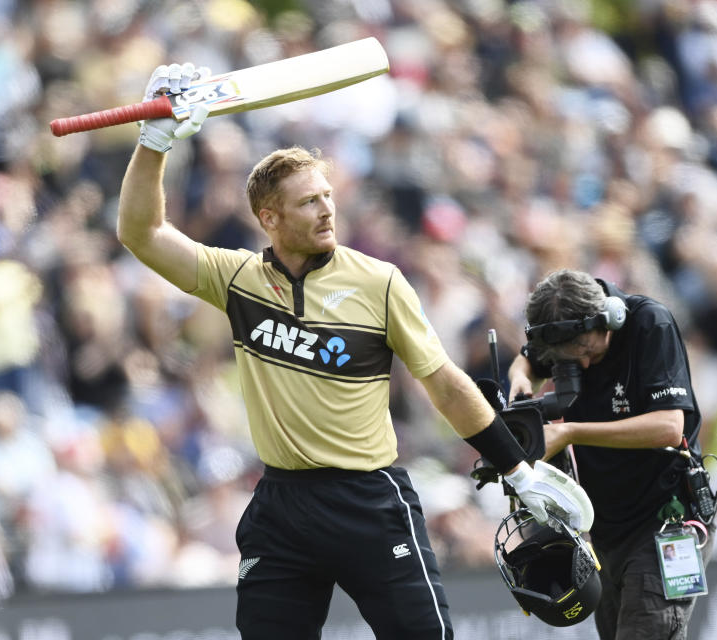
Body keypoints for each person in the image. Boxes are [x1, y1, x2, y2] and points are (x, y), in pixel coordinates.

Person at [116, 63, 594, 638]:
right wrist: (155, 142)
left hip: (368, 498)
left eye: (327, 196)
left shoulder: (379, 281)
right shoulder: (236, 279)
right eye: (307, 202)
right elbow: (141, 233)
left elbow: (443, 382)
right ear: (269, 218)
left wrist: (516, 468)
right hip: (281, 505)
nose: (326, 210)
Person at [507, 268, 713, 640]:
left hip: (666, 520)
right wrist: (519, 377)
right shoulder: (562, 330)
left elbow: (669, 427)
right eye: (570, 359)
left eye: (587, 351)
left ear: (610, 318)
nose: (582, 365)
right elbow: (528, 361)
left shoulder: (650, 324)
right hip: (602, 530)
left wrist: (568, 432)